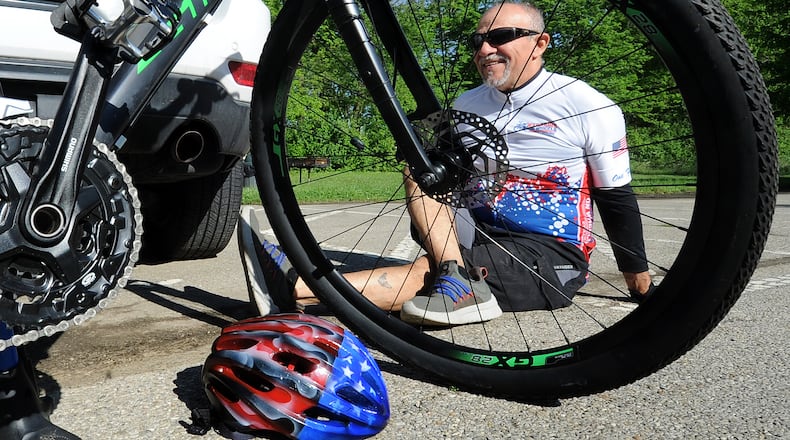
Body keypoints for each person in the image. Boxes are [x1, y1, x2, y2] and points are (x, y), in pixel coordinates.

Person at [239, 1, 654, 325]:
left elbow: (615, 194)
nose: (486, 50)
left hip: (546, 249)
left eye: (502, 36)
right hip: (471, 230)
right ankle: (453, 272)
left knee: (428, 271)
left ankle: (293, 288)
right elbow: (443, 180)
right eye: (478, 42)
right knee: (420, 167)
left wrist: (637, 276)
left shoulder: (587, 104)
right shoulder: (466, 103)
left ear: (541, 42)